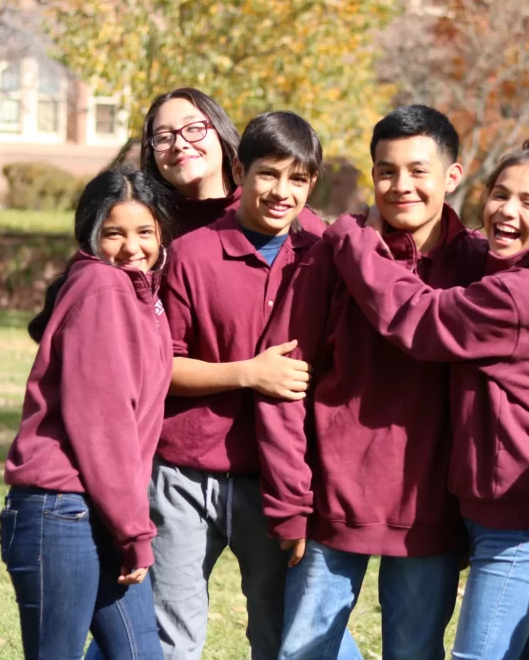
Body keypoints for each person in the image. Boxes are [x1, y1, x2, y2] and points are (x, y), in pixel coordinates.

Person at [323, 130, 529, 659]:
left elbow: (419, 317)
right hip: (498, 512)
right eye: (500, 194)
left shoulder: (521, 294)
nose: (507, 210)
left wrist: (355, 243)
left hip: (520, 522)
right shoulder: (509, 270)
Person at [255, 105, 488, 660]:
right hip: (331, 503)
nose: (400, 186)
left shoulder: (479, 264)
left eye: (418, 170)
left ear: (452, 176)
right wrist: (291, 500)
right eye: (386, 171)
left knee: (413, 652)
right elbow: (284, 381)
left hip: (430, 509)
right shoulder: (333, 257)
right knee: (302, 654)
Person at [150, 112, 354, 660]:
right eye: (267, 174)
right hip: (184, 477)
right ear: (239, 169)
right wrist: (247, 371)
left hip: (274, 482)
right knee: (173, 636)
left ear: (312, 184)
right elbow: (160, 367)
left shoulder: (322, 254)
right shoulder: (190, 255)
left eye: (297, 179)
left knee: (278, 633)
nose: (280, 192)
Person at [0, 167, 173, 660]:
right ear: (91, 234)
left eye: (145, 232)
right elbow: (105, 425)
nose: (132, 247)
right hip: (61, 513)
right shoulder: (104, 286)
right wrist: (135, 532)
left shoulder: (141, 296)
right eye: (114, 233)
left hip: (97, 511)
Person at [141, 87, 325, 238]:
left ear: (221, 132)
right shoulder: (146, 229)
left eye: (194, 128)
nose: (179, 145)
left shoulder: (291, 218)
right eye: (163, 137)